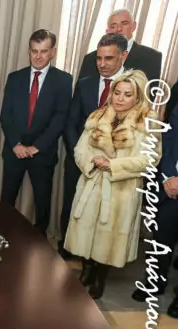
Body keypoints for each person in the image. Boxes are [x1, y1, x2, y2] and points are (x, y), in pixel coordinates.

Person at [64, 69, 161, 299]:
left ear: (137, 97)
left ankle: (100, 277)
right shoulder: (98, 116)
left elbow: (150, 159)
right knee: (86, 230)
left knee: (108, 237)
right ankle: (87, 270)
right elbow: (80, 149)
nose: (120, 98)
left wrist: (114, 165)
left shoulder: (147, 121)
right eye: (117, 92)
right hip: (92, 183)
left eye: (127, 94)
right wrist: (91, 162)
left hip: (121, 190)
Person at [59, 33, 127, 259]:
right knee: (71, 205)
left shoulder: (131, 88)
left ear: (123, 56)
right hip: (78, 160)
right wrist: (79, 155)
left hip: (111, 165)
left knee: (102, 214)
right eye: (99, 58)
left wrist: (109, 160)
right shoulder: (85, 84)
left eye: (109, 58)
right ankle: (67, 251)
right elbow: (71, 123)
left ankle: (93, 262)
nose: (102, 64)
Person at [0, 29, 73, 236]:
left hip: (43, 153)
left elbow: (60, 119)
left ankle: (40, 241)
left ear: (53, 52)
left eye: (43, 51)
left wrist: (37, 146)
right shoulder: (15, 78)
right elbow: (6, 115)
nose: (38, 56)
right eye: (34, 51)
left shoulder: (64, 80)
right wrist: (16, 144)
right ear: (29, 51)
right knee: (7, 200)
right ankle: (3, 237)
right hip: (14, 151)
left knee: (42, 202)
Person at [131, 103, 178, 318]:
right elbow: (168, 139)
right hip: (170, 186)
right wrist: (168, 176)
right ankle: (155, 281)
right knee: (162, 236)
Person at [78, 9, 162, 82]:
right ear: (108, 30)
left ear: (134, 26)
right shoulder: (90, 59)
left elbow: (150, 92)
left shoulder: (152, 57)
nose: (119, 29)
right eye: (113, 26)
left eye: (124, 23)